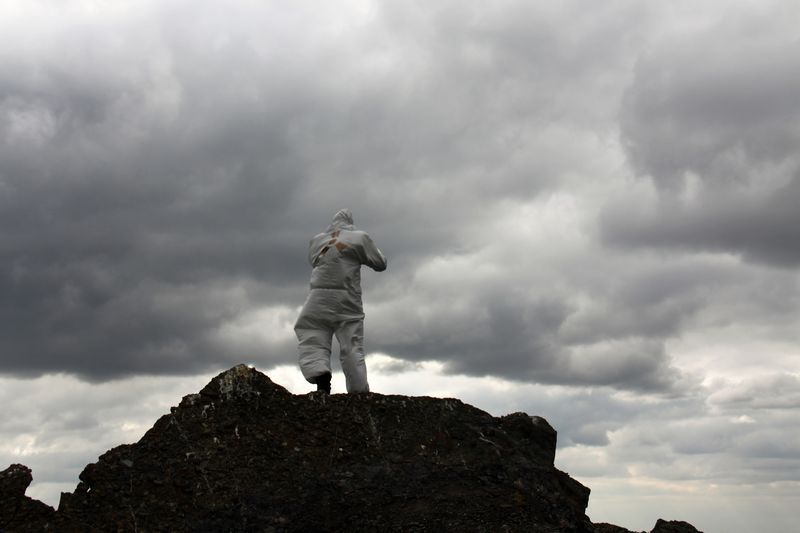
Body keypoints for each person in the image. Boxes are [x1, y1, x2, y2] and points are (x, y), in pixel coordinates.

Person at [294, 209, 387, 394]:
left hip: (318, 298)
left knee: (312, 331)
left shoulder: (317, 241)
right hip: (347, 300)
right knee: (352, 346)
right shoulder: (359, 238)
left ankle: (321, 378)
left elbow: (314, 261)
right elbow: (380, 263)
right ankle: (358, 393)